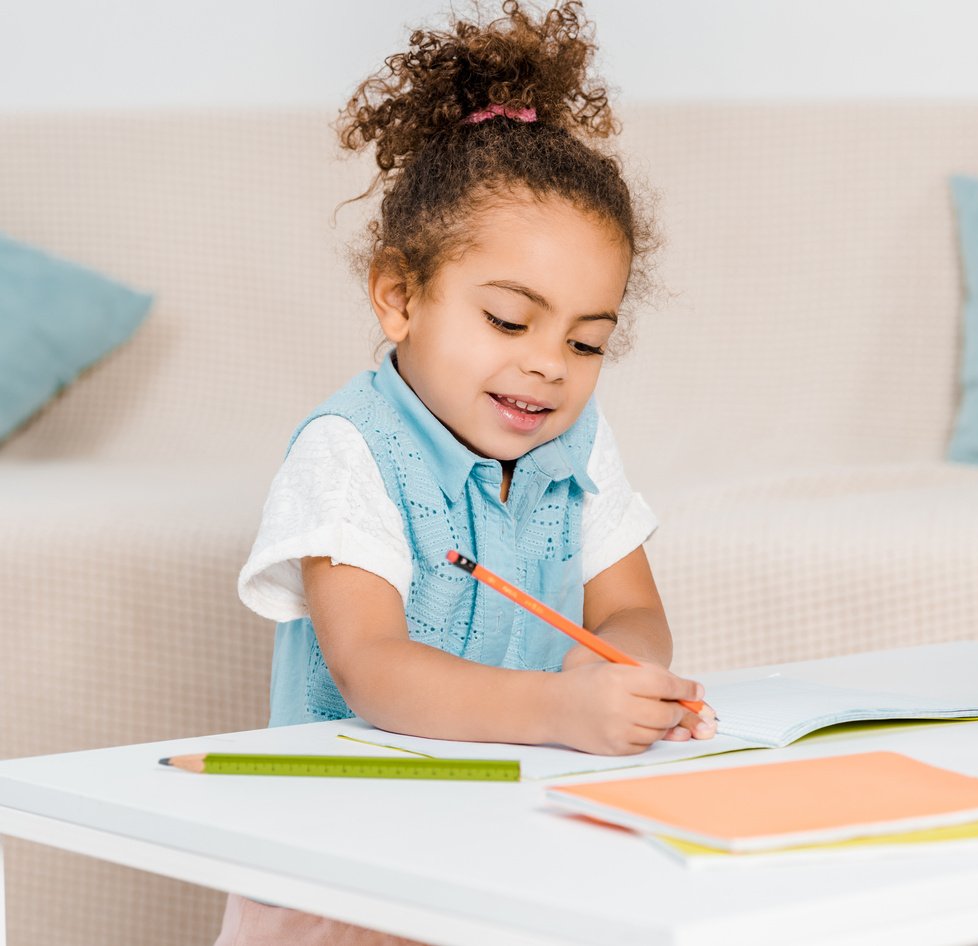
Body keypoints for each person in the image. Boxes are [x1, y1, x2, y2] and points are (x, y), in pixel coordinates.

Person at [218, 3, 713, 941]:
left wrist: (623, 674)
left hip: (504, 836)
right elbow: (374, 668)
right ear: (400, 296)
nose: (548, 365)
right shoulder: (350, 449)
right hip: (350, 863)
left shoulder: (576, 442)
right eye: (508, 320)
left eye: (586, 341)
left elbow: (631, 611)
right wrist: (564, 707)